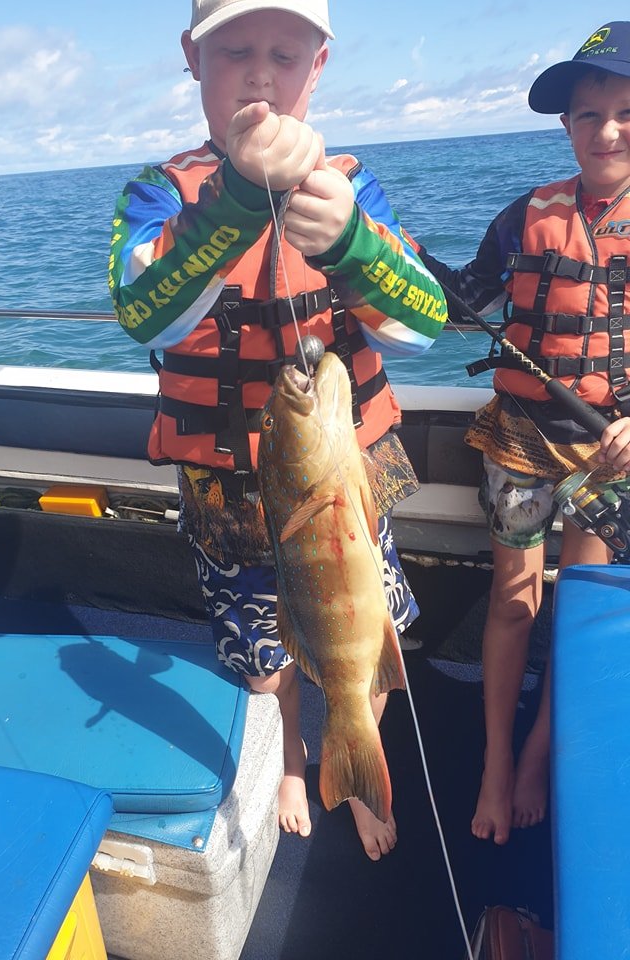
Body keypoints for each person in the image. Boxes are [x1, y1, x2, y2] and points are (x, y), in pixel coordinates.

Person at [108, 0, 447, 860]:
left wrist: (352, 245)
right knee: (265, 657)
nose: (261, 74)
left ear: (319, 66)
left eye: (285, 54)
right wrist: (225, 208)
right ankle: (294, 758)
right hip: (227, 491)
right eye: (236, 52)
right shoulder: (160, 193)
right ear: (192, 57)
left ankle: (357, 752)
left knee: (364, 642)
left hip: (343, 480)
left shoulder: (352, 184)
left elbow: (425, 325)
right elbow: (144, 316)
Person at [417, 20, 630, 845]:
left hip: (609, 455)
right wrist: (385, 254)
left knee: (576, 610)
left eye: (623, 110)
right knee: (513, 601)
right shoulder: (526, 213)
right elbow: (461, 297)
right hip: (520, 438)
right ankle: (497, 762)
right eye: (586, 114)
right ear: (567, 124)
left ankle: (541, 755)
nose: (606, 131)